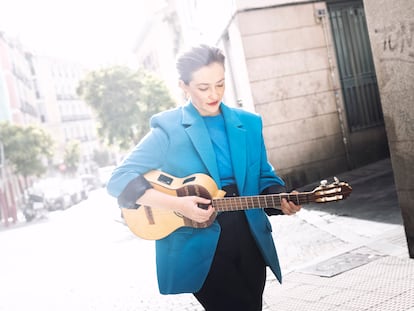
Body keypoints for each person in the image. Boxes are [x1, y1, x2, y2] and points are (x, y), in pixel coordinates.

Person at [106, 44, 302, 311]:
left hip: (250, 239)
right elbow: (119, 178)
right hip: (198, 246)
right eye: (203, 87)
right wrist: (177, 205)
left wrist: (279, 197)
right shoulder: (168, 128)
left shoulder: (250, 123)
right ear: (183, 86)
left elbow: (263, 176)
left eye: (220, 84)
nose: (214, 94)